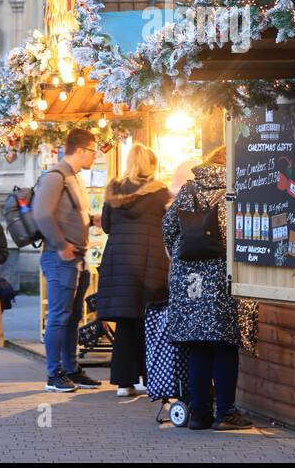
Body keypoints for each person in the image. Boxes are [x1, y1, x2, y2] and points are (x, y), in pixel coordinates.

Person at [161, 145, 253, 431]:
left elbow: (167, 228)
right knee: (224, 344)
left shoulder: (188, 190)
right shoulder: (238, 188)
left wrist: (178, 258)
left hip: (188, 281)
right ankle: (225, 413)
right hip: (222, 277)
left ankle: (199, 413)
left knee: (199, 345)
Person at [30, 129, 101, 394]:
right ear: (80, 150)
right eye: (94, 150)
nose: (96, 156)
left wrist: (91, 219)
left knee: (72, 318)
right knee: (59, 317)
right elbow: (42, 214)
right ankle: (53, 374)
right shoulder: (56, 176)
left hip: (76, 259)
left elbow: (65, 213)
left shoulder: (73, 177)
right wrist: (61, 245)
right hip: (61, 259)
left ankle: (71, 369)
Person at [97, 143, 171, 397]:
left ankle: (123, 382)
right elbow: (169, 228)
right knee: (149, 323)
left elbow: (106, 226)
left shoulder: (113, 191)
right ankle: (148, 378)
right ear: (151, 164)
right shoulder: (160, 193)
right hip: (150, 263)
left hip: (119, 261)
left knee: (126, 324)